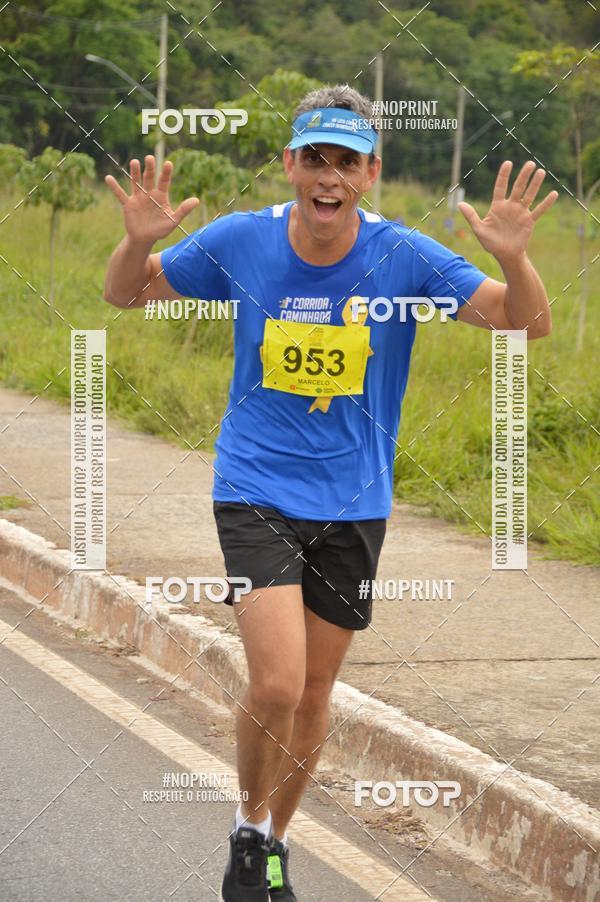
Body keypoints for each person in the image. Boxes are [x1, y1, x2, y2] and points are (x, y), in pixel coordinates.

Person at [103, 85, 557, 902]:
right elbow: (126, 293)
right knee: (276, 683)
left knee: (314, 693)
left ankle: (277, 841)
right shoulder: (242, 242)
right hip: (254, 487)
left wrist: (515, 261)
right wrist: (136, 246)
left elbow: (523, 324)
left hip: (355, 501)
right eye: (314, 157)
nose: (328, 176)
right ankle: (247, 829)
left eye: (346, 161)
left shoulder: (404, 255)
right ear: (290, 164)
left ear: (369, 173)